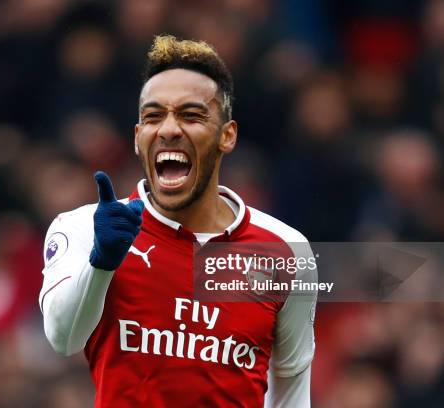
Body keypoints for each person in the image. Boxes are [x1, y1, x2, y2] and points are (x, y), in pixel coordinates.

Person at [39, 35, 317, 407]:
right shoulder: (83, 227)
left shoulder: (286, 250)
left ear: (227, 136)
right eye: (154, 117)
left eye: (191, 115)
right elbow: (63, 338)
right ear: (139, 138)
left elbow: (292, 384)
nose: (169, 129)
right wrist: (101, 262)